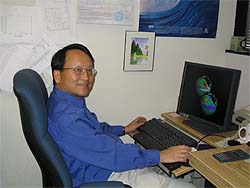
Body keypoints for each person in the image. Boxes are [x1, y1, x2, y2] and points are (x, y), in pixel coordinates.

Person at [48, 43, 195, 188]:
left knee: (159, 170)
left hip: (102, 165)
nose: (86, 77)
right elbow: (113, 155)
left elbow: (93, 130)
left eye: (90, 70)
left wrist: (124, 129)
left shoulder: (66, 103)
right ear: (57, 75)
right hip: (103, 174)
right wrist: (161, 155)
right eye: (78, 70)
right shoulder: (67, 118)